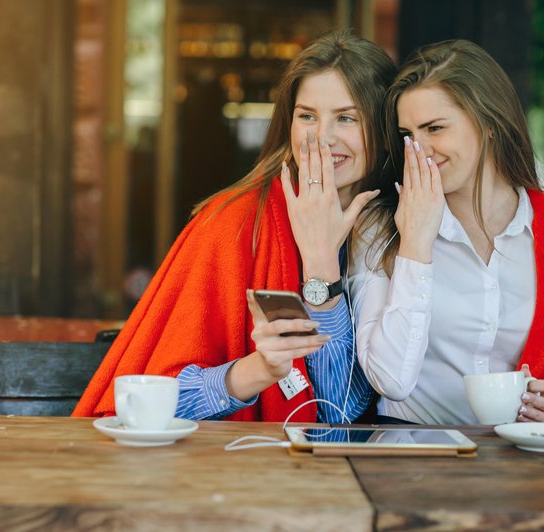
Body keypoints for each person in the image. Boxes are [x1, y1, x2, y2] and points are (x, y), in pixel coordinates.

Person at [74, 30, 396, 423]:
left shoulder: (399, 230)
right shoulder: (235, 224)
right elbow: (146, 401)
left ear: (383, 131)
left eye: (346, 118)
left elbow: (342, 408)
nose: (321, 138)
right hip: (237, 467)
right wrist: (254, 371)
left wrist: (319, 261)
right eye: (307, 116)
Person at [349, 39, 544, 427]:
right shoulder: (381, 224)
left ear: (488, 124)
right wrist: (416, 244)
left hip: (518, 460)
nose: (418, 150)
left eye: (435, 128)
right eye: (408, 135)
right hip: (410, 453)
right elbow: (390, 380)